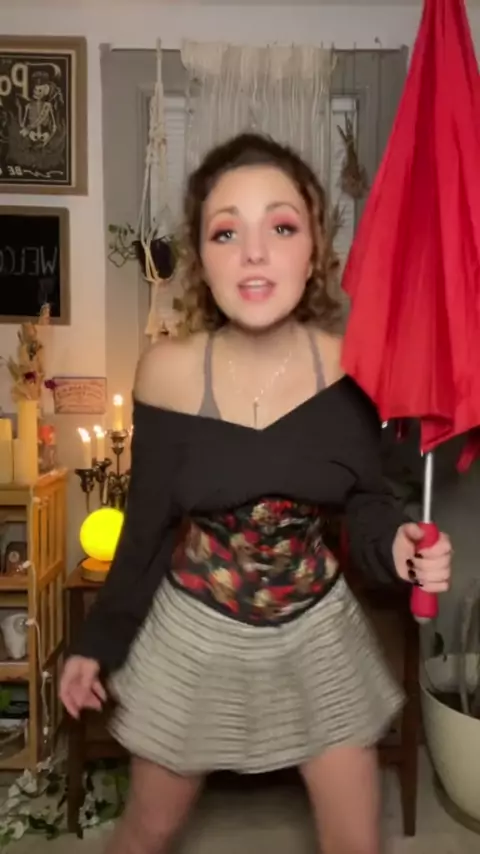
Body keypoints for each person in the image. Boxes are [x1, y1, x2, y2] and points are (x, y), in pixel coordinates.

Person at [60, 133, 452, 854]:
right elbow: (146, 527)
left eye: (281, 227)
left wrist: (397, 541)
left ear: (315, 249)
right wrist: (97, 643)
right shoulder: (166, 371)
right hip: (195, 630)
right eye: (225, 232)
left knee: (356, 842)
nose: (254, 253)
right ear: (201, 258)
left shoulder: (356, 369)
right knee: (147, 830)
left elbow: (367, 501)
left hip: (318, 629)